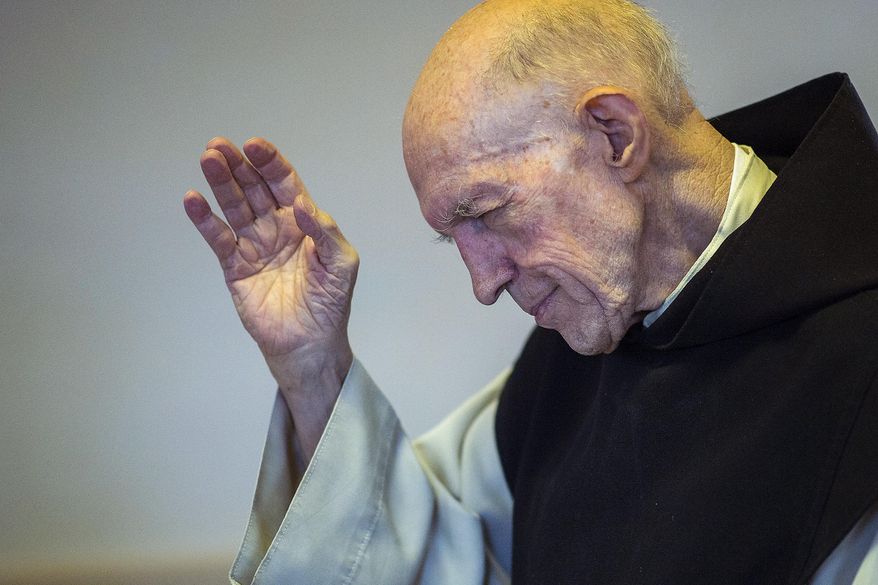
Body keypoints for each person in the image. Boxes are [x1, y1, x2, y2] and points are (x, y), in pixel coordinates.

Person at [183, 0, 878, 583]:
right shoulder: (571, 354)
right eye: (454, 237)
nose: (483, 285)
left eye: (486, 213)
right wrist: (312, 364)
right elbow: (440, 559)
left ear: (614, 134)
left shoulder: (857, 356)